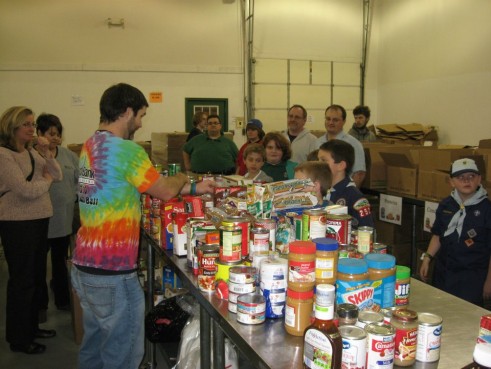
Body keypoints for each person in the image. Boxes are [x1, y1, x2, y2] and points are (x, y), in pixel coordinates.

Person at [70, 83, 215, 369]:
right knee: (123, 355)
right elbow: (164, 190)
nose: (140, 122)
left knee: (94, 348)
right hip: (113, 274)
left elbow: (139, 186)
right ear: (127, 112)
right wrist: (183, 176)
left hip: (85, 266)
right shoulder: (127, 151)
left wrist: (196, 187)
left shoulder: (90, 145)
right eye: (140, 115)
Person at [0, 106, 62, 355]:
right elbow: (26, 191)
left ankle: (31, 327)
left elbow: (56, 174)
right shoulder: (4, 155)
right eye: (26, 124)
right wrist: (44, 180)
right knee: (22, 281)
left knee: (36, 278)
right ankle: (18, 337)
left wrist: (46, 152)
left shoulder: (31, 152)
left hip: (38, 219)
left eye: (32, 123)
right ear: (12, 127)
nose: (31, 128)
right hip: (17, 223)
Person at [419, 158, 491, 306]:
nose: (466, 181)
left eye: (471, 176)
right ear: (451, 182)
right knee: (441, 309)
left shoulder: (486, 209)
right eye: (460, 177)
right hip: (444, 272)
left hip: (472, 277)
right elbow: (438, 235)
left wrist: (489, 281)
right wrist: (427, 258)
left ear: (479, 179)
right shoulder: (446, 204)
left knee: (467, 315)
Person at [36, 113, 79, 312]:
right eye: (51, 133)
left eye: (58, 133)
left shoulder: (69, 156)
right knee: (37, 267)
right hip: (39, 220)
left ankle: (62, 301)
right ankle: (40, 306)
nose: (55, 137)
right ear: (39, 134)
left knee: (60, 263)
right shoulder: (33, 156)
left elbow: (83, 181)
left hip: (63, 220)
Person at [318, 139, 374, 229]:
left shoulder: (355, 197)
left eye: (323, 161)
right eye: (318, 160)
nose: (318, 164)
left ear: (341, 165)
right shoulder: (322, 190)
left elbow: (367, 231)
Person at [315, 104, 366, 188]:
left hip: (342, 195)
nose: (331, 122)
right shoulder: (317, 143)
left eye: (335, 120)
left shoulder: (354, 144)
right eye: (328, 119)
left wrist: (347, 195)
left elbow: (359, 174)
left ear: (344, 121)